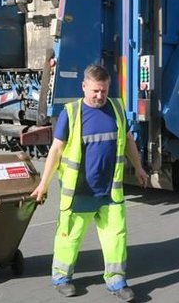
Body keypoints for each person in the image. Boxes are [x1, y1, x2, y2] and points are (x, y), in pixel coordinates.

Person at [32, 64, 148, 302]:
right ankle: (62, 278)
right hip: (79, 191)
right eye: (95, 90)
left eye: (104, 90)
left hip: (110, 191)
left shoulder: (116, 108)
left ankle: (116, 280)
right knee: (69, 237)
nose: (100, 96)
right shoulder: (71, 113)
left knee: (116, 236)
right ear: (84, 86)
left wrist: (139, 168)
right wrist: (43, 184)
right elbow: (55, 151)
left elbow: (127, 140)